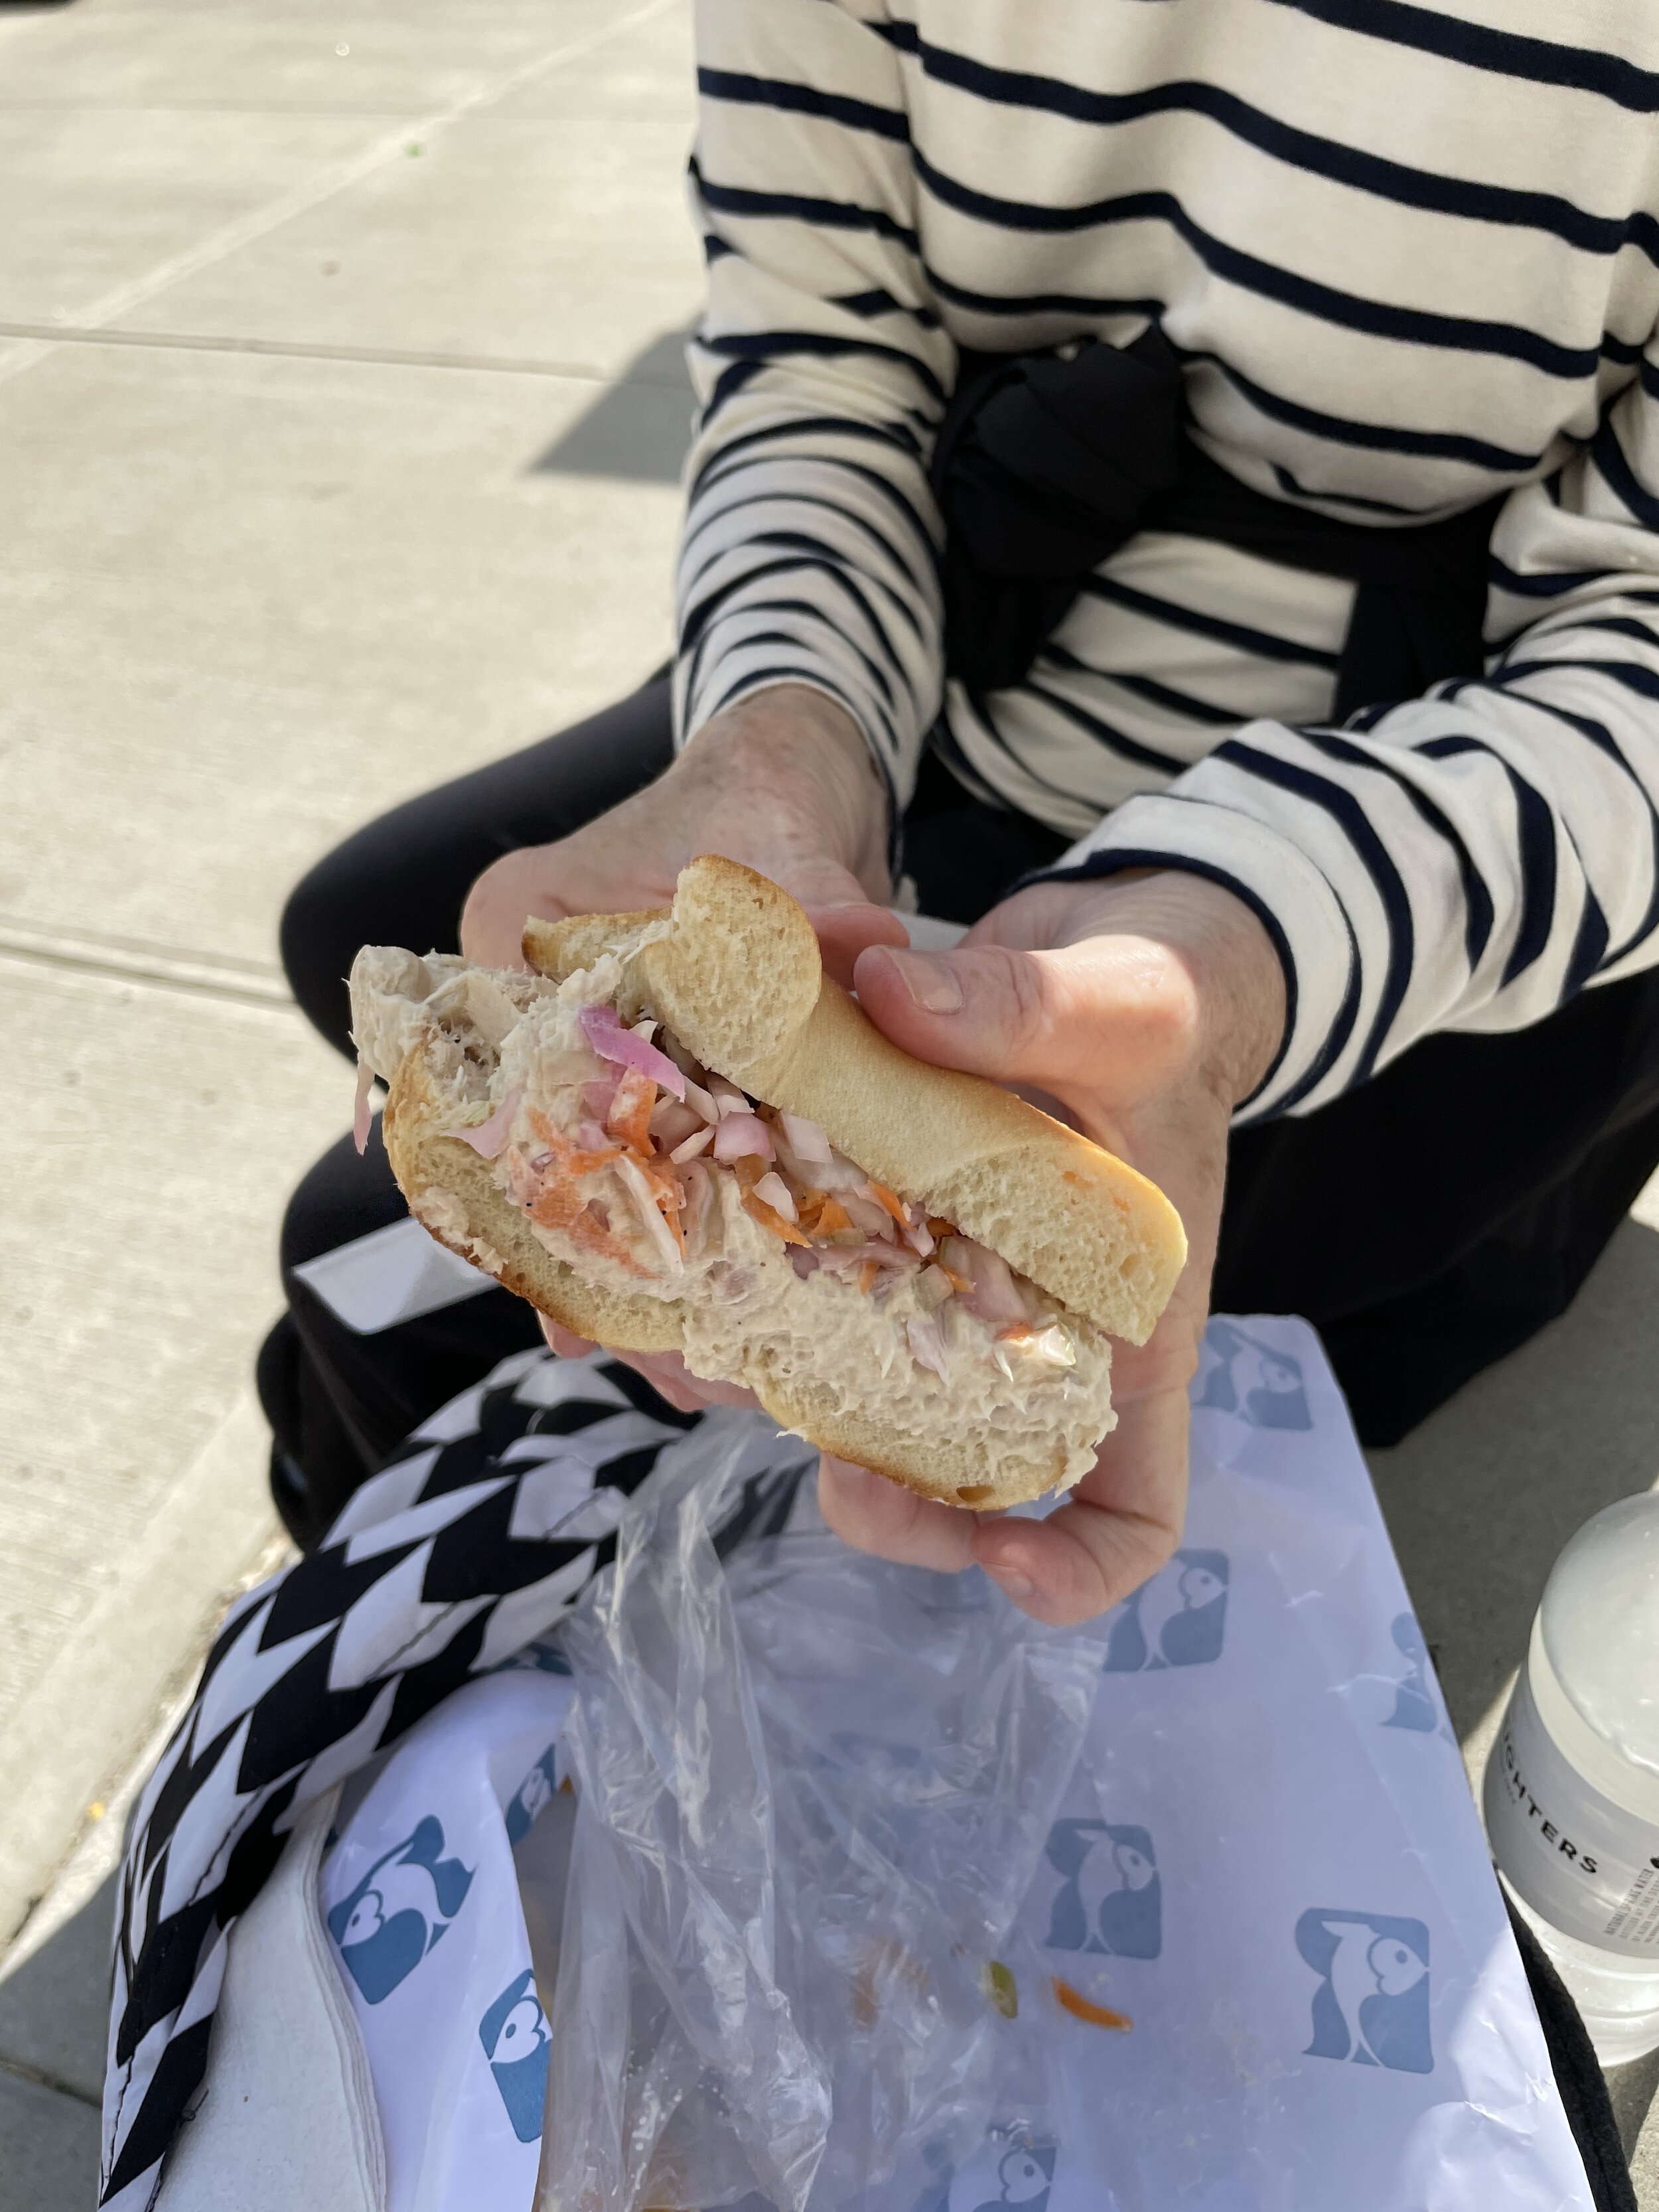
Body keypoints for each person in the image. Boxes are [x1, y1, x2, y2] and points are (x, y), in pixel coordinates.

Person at [262, 1, 1659, 1629]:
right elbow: (821, 348)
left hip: (1455, 844)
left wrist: (1248, 946)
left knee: (349, 1268)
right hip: (952, 644)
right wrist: (783, 733)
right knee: (346, 944)